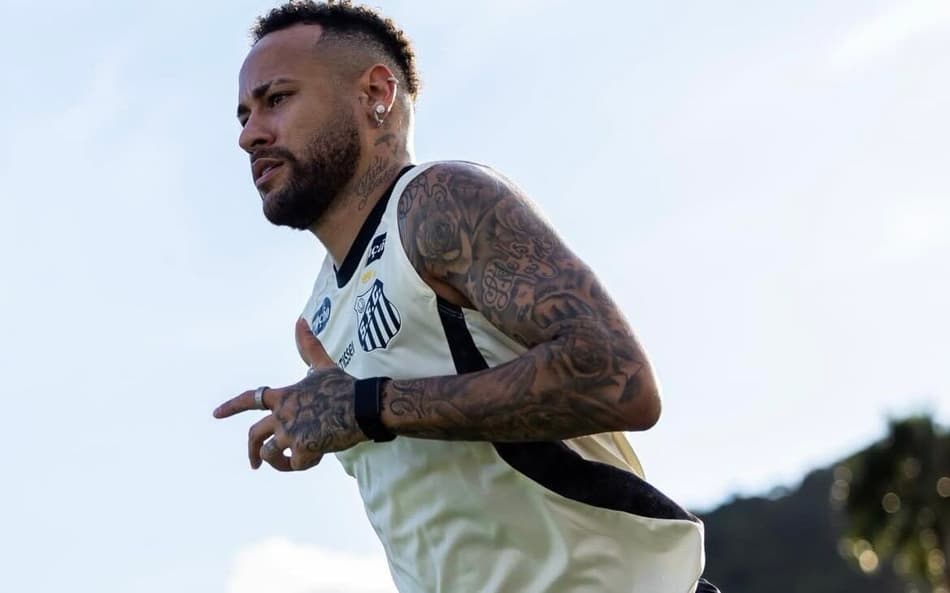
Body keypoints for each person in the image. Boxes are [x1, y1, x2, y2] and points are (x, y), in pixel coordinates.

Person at [213, 2, 720, 592]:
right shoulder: (319, 315)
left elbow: (617, 378)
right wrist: (328, 421)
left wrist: (367, 407)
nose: (249, 135)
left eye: (277, 99)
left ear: (376, 92)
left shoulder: (437, 203)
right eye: (244, 115)